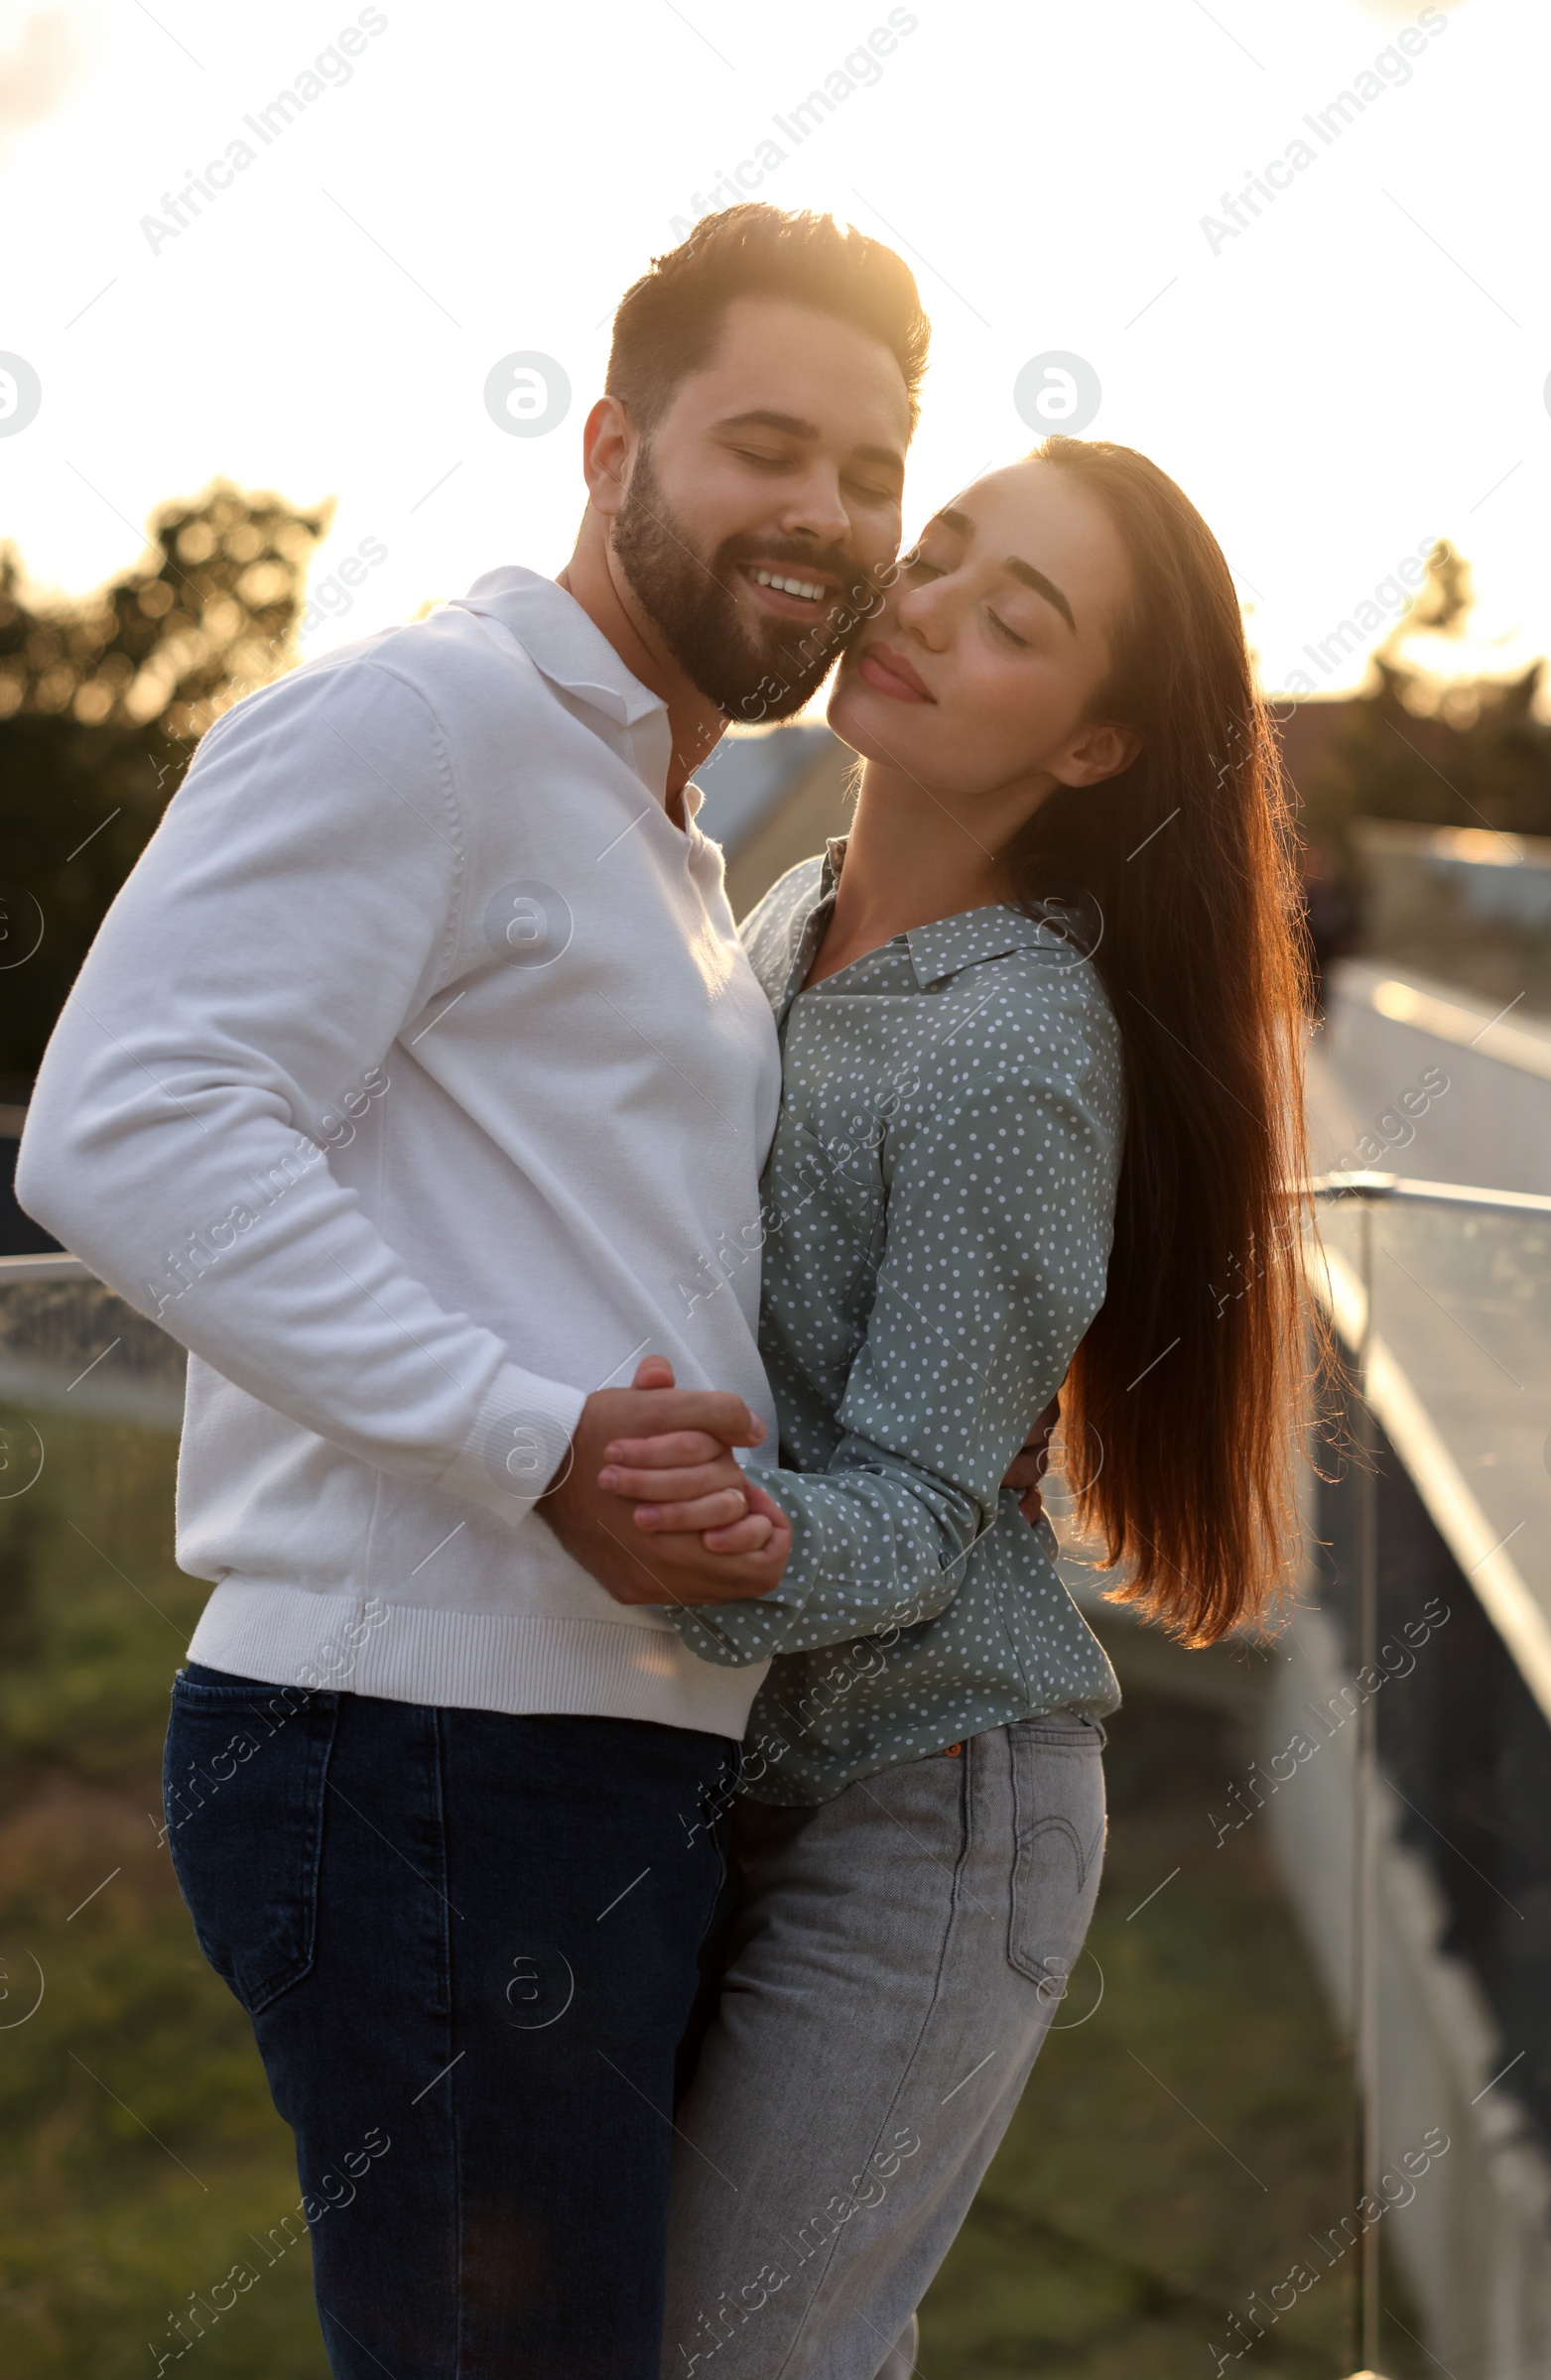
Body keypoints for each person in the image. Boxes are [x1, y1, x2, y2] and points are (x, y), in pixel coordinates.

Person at [15, 207, 951, 2380]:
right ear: (614, 440)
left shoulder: (655, 818)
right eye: (766, 447)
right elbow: (127, 1125)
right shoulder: (421, 720)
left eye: (872, 475)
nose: (827, 517)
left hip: (577, 1754)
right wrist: (528, 1442)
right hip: (424, 1751)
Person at [598, 438, 1319, 2377]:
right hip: (723, 1776)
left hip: (925, 1807)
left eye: (1014, 622)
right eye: (936, 559)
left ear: (1089, 751)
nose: (918, 609)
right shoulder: (776, 927)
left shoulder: (1011, 1051)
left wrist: (632, 1552)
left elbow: (917, 1519)